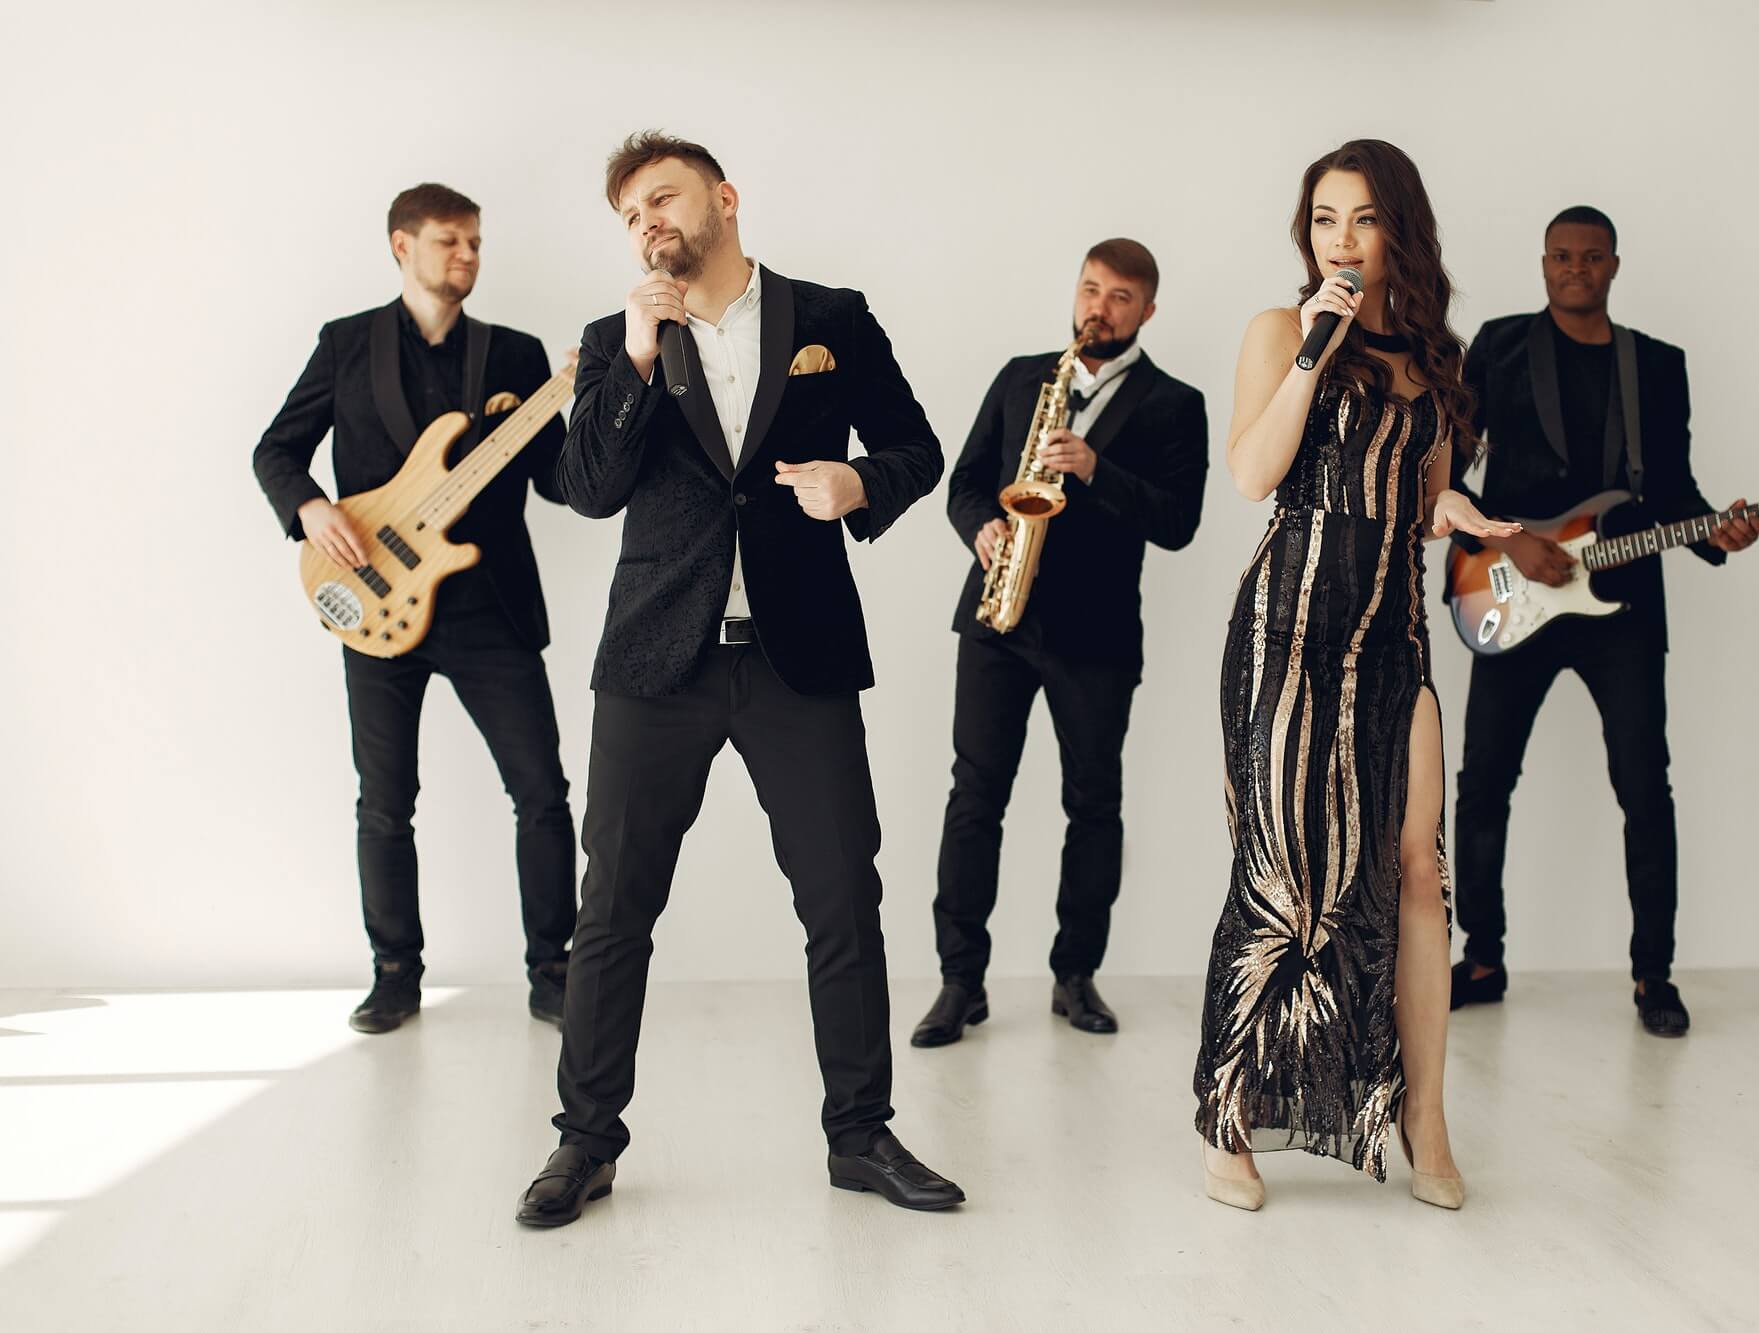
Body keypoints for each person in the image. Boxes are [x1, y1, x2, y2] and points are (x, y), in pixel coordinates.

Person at [514, 133, 961, 1228]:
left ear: (722, 196)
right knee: (612, 907)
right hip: (654, 658)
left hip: (794, 654)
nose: (646, 222)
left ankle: (859, 1134)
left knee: (842, 897)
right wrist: (628, 355)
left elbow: (917, 448)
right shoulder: (611, 337)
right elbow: (586, 490)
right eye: (628, 214)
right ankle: (585, 1142)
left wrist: (855, 480)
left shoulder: (830, 318)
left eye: (660, 197)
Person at [1192, 141, 1519, 1213]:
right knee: (1280, 871)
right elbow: (1250, 474)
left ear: (1399, 231)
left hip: (1394, 635)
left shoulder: (1437, 357)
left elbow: (1418, 499)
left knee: (1418, 871)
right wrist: (1312, 354)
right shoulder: (1281, 331)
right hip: (1286, 626)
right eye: (1323, 219)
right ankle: (1228, 1120)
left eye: (1362, 218)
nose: (1339, 238)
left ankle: (1423, 1119)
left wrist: (1459, 510)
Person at [251, 183, 576, 1035]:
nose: (467, 256)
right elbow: (276, 448)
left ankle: (555, 969)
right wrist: (311, 509)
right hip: (377, 603)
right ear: (402, 245)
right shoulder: (346, 343)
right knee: (385, 802)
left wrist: (605, 408)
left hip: (489, 605)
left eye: (475, 242)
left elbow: (559, 479)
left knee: (542, 791)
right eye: (448, 241)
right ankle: (395, 972)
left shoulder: (516, 354)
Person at [1448, 206, 1759, 1037]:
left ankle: (1653, 975)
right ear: (1543, 262)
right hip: (1513, 588)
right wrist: (1512, 536)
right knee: (1483, 782)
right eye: (1562, 256)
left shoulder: (1655, 365)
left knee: (1643, 785)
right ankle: (1481, 957)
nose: (1576, 269)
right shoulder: (1500, 345)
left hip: (1621, 604)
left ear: (1614, 266)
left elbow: (1674, 489)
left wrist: (1716, 533)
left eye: (1592, 257)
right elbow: (1447, 467)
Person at [914, 239, 1208, 1047]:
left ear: (1148, 309)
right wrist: (980, 529)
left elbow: (1180, 523)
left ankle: (1075, 975)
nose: (1098, 308)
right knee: (974, 799)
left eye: (1119, 297)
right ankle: (959, 981)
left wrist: (1094, 469)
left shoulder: (1175, 403)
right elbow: (967, 479)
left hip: (1097, 636)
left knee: (1092, 804)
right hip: (997, 621)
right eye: (1089, 290)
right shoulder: (1022, 377)